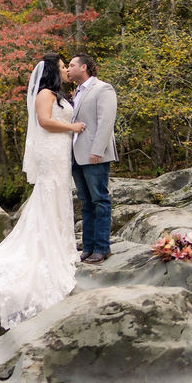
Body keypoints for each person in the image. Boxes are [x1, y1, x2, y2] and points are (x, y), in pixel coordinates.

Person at [0, 53, 86, 330]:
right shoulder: (44, 93)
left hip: (60, 151)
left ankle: (62, 244)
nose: (66, 70)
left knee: (59, 194)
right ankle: (48, 246)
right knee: (50, 193)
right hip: (51, 150)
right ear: (53, 70)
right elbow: (44, 122)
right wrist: (72, 126)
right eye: (63, 67)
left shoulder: (58, 93)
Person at [68, 53, 118, 264]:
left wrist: (97, 150)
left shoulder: (103, 89)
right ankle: (88, 247)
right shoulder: (77, 92)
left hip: (94, 155)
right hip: (76, 156)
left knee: (100, 200)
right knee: (86, 203)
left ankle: (102, 248)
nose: (68, 69)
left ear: (84, 67)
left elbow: (106, 121)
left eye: (71, 65)